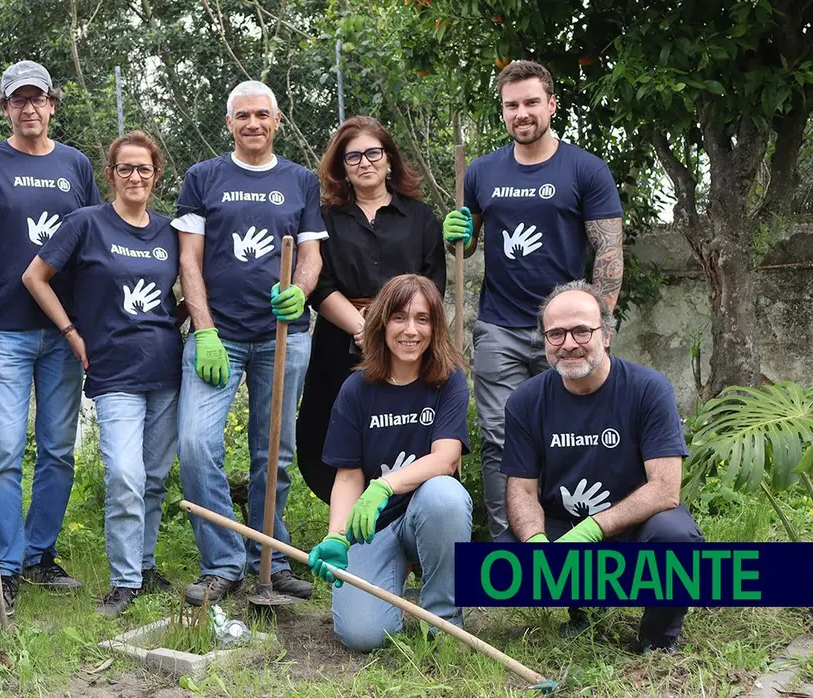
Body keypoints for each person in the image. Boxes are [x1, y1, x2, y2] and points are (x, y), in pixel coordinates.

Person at [442, 59, 625, 540]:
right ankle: (510, 542)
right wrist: (454, 233)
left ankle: (565, 534)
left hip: (565, 333)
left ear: (551, 105)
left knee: (568, 437)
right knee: (501, 439)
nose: (521, 113)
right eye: (511, 105)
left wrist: (599, 325)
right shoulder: (481, 172)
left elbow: (609, 250)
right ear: (503, 112)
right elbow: (466, 246)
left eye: (530, 102)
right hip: (499, 326)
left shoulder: (585, 169)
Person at [0, 60, 102, 614]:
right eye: (18, 100)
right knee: (7, 448)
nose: (29, 108)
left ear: (52, 105)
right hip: (6, 328)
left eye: (38, 99)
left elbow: (90, 239)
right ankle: (4, 565)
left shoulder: (75, 165)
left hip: (64, 330)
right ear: (6, 107)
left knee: (58, 450)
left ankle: (39, 555)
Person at [174, 79, 326, 605]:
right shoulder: (203, 177)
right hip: (220, 336)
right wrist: (206, 330)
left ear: (277, 121)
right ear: (229, 123)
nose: (254, 124)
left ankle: (270, 559)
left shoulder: (301, 181)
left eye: (263, 114)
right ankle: (222, 562)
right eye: (244, 116)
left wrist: (300, 293)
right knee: (195, 444)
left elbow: (311, 256)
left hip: (284, 335)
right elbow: (188, 259)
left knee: (273, 455)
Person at [21, 131, 181, 617]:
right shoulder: (86, 223)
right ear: (110, 174)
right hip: (114, 372)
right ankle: (125, 581)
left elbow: (189, 286)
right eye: (126, 168)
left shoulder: (171, 230)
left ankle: (146, 566)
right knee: (126, 476)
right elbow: (35, 276)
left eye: (145, 170)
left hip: (167, 369)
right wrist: (70, 330)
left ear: (156, 177)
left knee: (153, 477)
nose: (136, 177)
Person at [497, 280, 703, 653]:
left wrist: (594, 528)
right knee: (505, 552)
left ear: (605, 336)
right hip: (564, 524)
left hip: (634, 523)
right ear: (544, 341)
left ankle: (657, 639)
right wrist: (536, 542)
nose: (569, 343)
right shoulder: (526, 401)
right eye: (556, 333)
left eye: (581, 330)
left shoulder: (648, 389)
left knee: (676, 537)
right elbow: (522, 488)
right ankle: (585, 615)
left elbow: (665, 489)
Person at [305, 274, 472, 652]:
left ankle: (443, 619)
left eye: (422, 318)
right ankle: (388, 583)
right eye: (399, 317)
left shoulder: (448, 381)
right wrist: (336, 534)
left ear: (435, 327)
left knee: (445, 495)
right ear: (381, 323)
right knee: (363, 635)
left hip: (428, 516)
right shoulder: (356, 389)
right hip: (375, 526)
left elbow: (446, 459)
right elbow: (348, 475)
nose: (410, 330)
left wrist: (384, 484)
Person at [296, 115, 447, 504]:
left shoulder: (420, 218)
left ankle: (406, 515)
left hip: (408, 342)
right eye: (353, 157)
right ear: (341, 168)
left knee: (405, 427)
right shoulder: (324, 219)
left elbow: (433, 284)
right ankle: (347, 523)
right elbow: (320, 283)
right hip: (340, 339)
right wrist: (364, 328)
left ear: (389, 159)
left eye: (373, 153)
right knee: (332, 429)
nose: (365, 162)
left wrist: (391, 328)